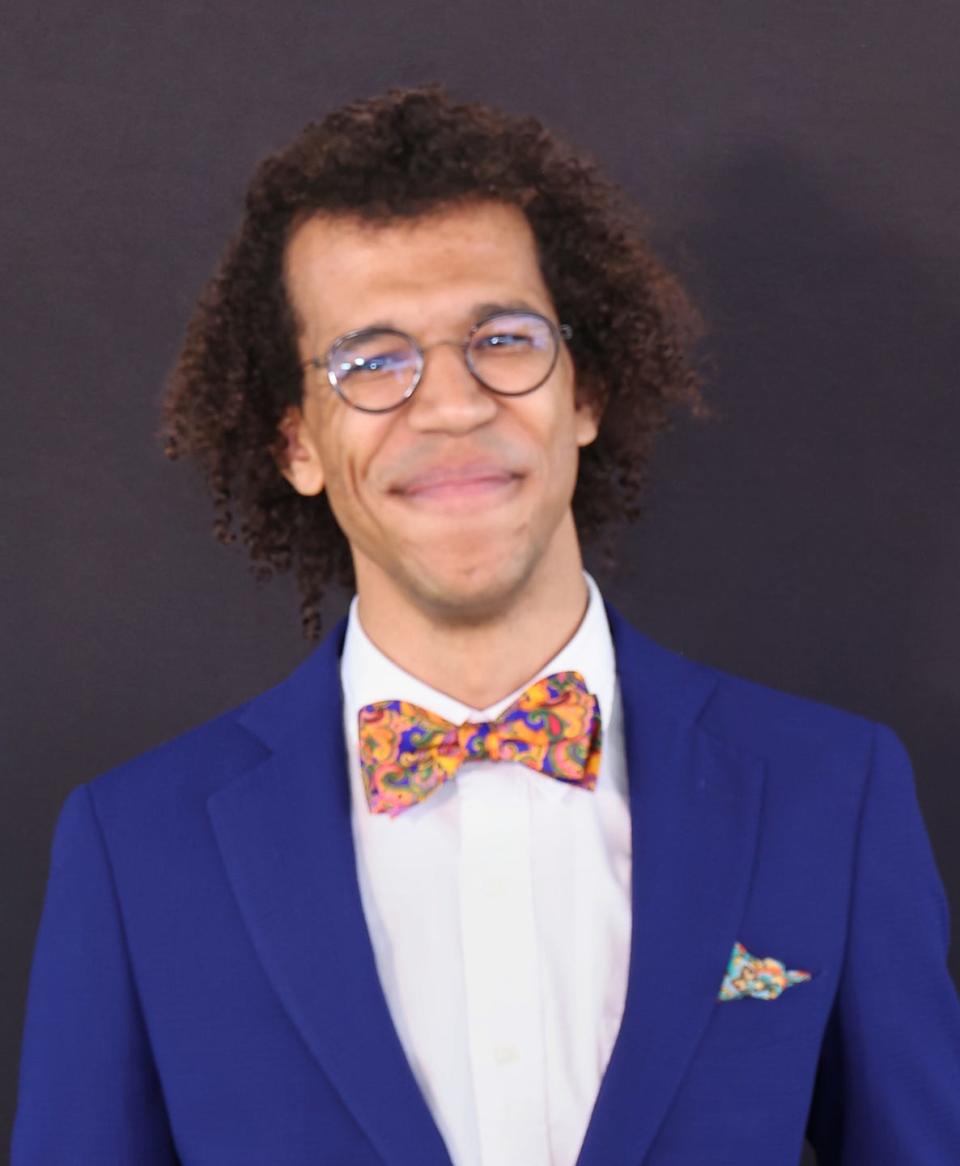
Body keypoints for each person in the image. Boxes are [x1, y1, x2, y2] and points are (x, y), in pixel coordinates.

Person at [12, 84, 960, 1165]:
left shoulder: (830, 792)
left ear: (584, 391)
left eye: (501, 338)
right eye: (372, 362)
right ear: (297, 445)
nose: (453, 404)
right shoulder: (137, 848)